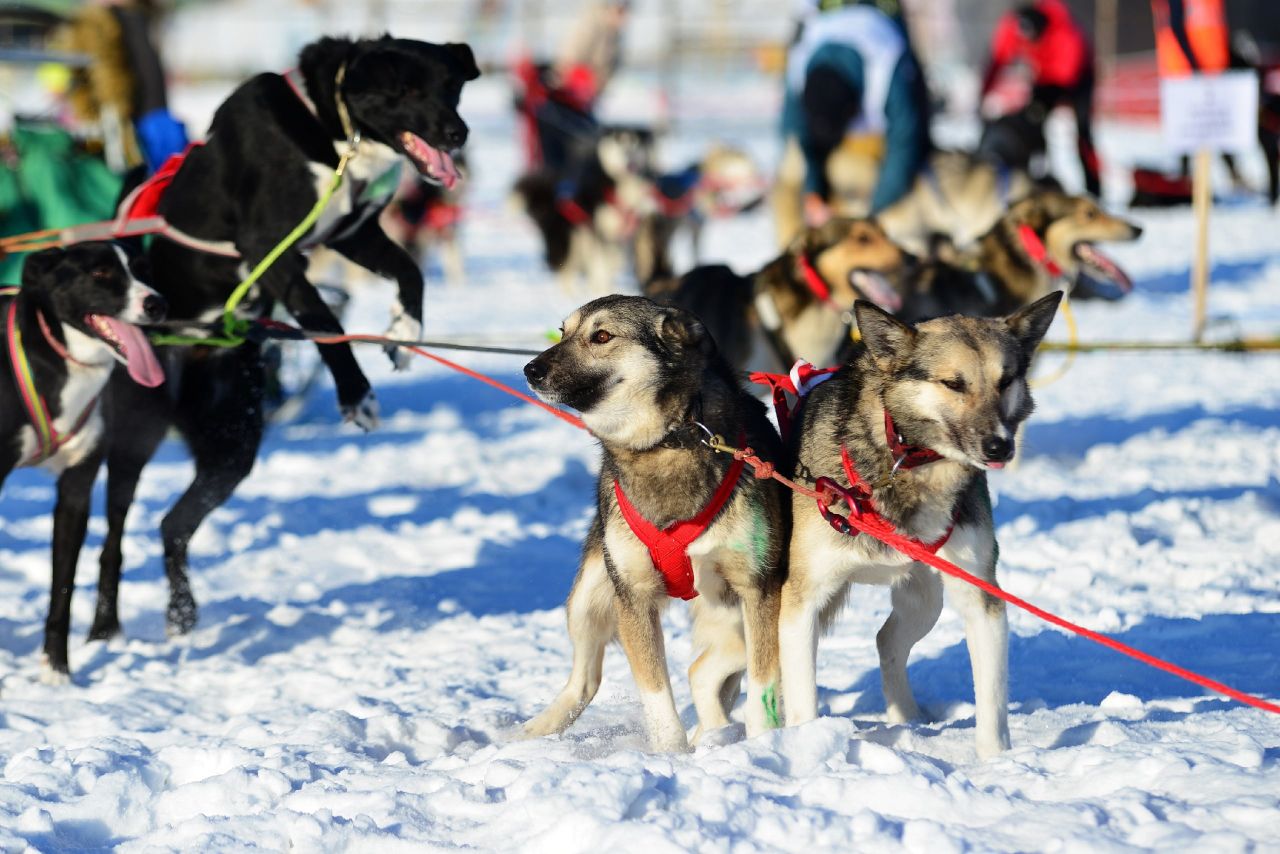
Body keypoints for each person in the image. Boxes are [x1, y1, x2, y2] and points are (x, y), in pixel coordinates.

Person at [775, 4, 930, 244]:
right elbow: (796, 136)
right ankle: (794, 252)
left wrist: (872, 215)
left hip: (875, 139)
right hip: (837, 124)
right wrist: (813, 192)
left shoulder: (887, 65)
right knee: (790, 173)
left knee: (888, 188)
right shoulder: (801, 63)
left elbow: (904, 143)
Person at [979, 1, 1100, 197]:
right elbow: (997, 60)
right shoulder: (1011, 28)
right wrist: (983, 93)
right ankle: (1037, 170)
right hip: (1044, 77)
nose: (1028, 43)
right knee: (1032, 121)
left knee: (1083, 132)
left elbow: (1066, 74)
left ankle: (1094, 188)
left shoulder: (1064, 34)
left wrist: (1043, 103)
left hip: (1078, 78)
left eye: (1033, 38)